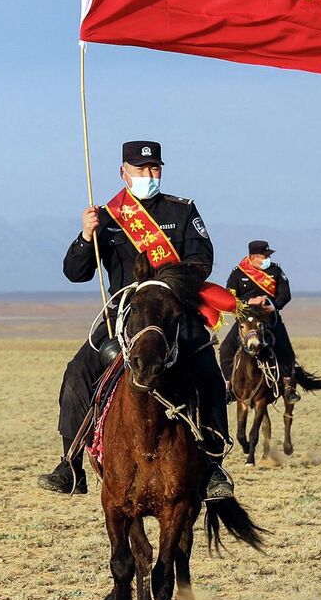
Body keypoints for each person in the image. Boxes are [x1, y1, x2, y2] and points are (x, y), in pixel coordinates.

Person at [38, 139, 237, 501]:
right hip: (123, 317)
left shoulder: (182, 211)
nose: (149, 174)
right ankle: (70, 464)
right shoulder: (108, 217)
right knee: (77, 373)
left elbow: (201, 261)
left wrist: (165, 285)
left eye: (154, 168)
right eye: (141, 169)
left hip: (173, 313)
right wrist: (86, 236)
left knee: (208, 372)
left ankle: (212, 466)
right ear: (123, 172)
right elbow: (74, 272)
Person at [218, 239, 297, 391]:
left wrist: (272, 306)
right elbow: (230, 296)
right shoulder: (238, 273)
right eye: (264, 256)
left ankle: (288, 386)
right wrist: (249, 301)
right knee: (226, 348)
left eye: (268, 256)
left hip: (269, 319)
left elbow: (285, 295)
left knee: (285, 348)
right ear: (253, 257)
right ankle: (229, 385)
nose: (268, 259)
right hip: (246, 319)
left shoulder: (275, 271)